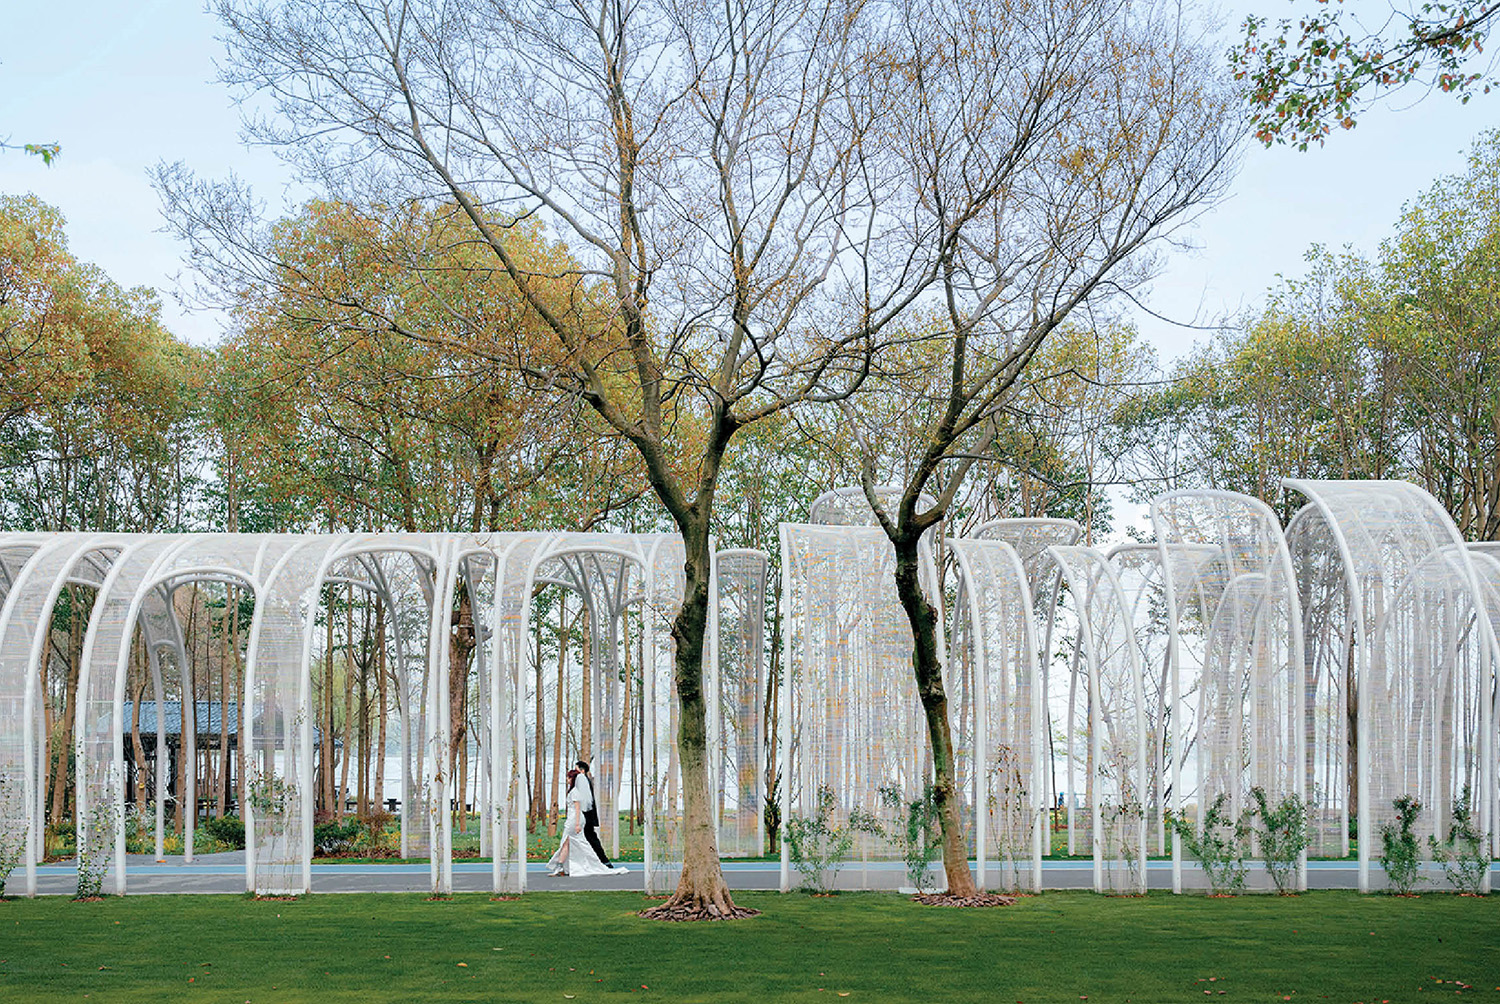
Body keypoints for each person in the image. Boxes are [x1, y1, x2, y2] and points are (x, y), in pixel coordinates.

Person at [546, 769, 626, 877]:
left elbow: (577, 808)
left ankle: (560, 866)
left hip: (575, 819)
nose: (567, 779)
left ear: (573, 779)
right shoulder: (575, 791)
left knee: (566, 842)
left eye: (569, 777)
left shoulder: (574, 792)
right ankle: (564, 866)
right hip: (574, 818)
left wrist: (577, 824)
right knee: (571, 843)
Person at [574, 760, 621, 871]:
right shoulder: (584, 780)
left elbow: (585, 801)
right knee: (589, 839)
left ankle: (603, 861)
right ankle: (600, 861)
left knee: (590, 838)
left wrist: (580, 815)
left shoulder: (582, 779)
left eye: (576, 769)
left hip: (586, 816)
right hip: (587, 816)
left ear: (582, 770)